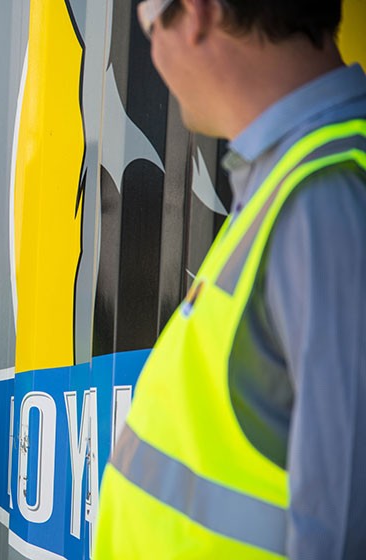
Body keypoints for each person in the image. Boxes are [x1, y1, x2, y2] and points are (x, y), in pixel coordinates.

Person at [95, 0, 365, 558]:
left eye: (147, 25)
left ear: (193, 13)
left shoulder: (324, 201)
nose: (153, 52)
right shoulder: (294, 183)